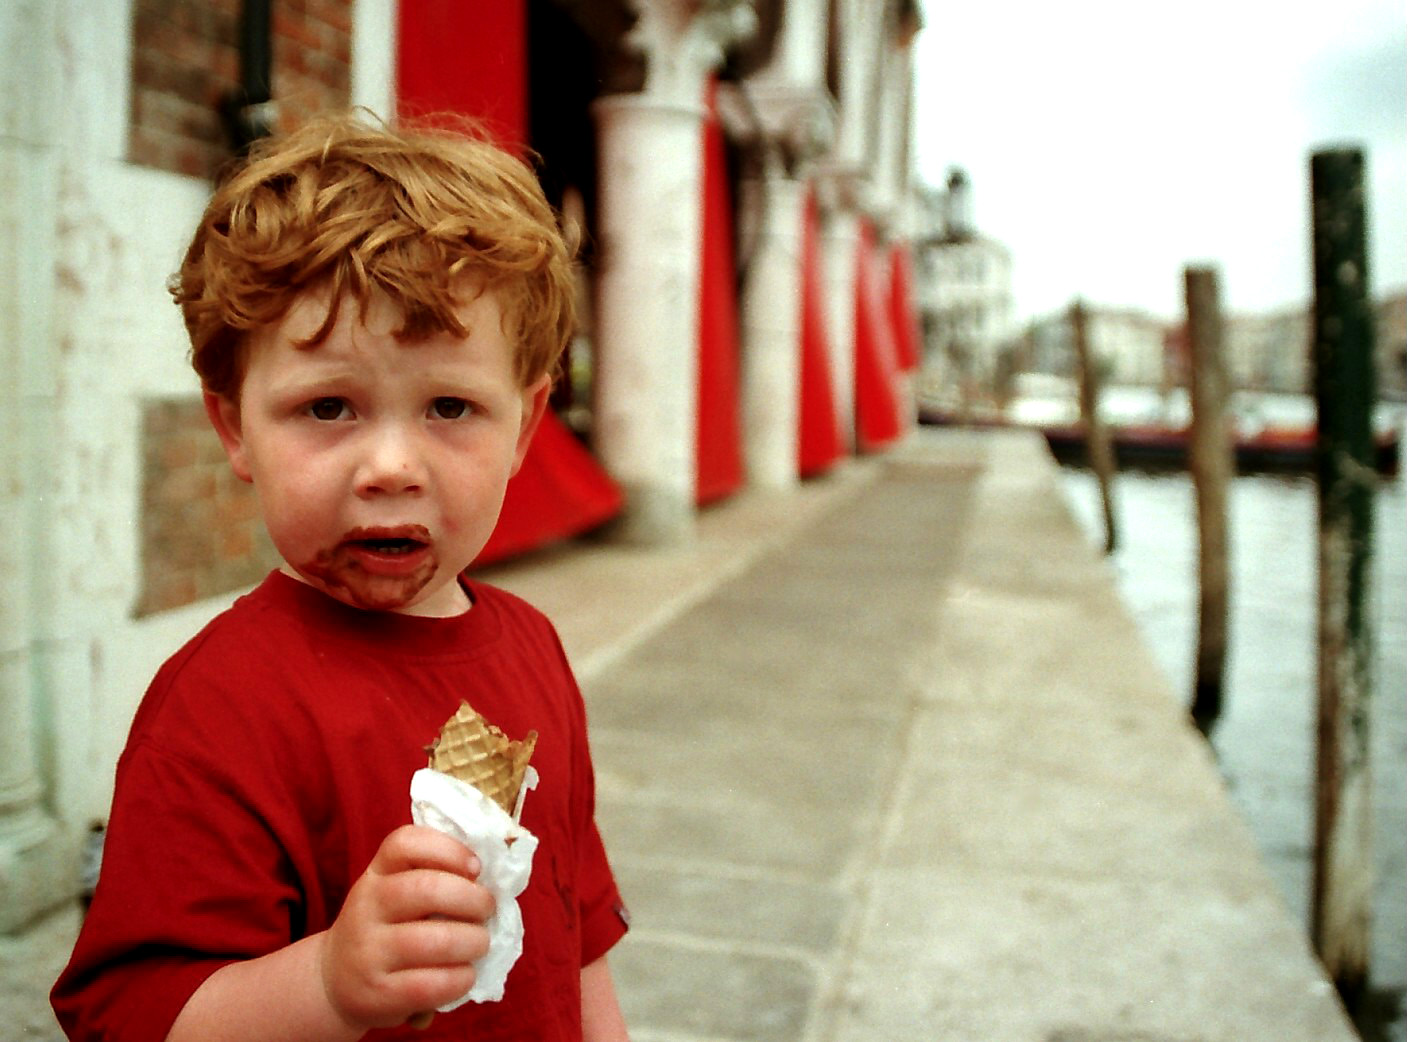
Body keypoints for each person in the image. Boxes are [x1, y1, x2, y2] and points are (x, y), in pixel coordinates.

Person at [51, 113, 631, 1042]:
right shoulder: (220, 707)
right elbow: (129, 1016)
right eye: (329, 406)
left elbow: (575, 936)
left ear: (524, 428)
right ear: (236, 426)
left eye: (451, 405)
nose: (390, 466)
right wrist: (326, 984)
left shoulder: (535, 649)